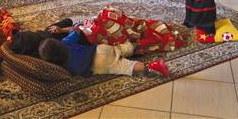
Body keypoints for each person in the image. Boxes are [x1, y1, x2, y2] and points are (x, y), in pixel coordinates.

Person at [38, 32, 170, 78]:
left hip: (98, 65)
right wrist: (77, 26)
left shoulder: (62, 67)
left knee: (125, 66)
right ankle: (139, 43)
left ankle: (154, 66)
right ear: (57, 44)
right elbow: (77, 33)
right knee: (120, 49)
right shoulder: (65, 42)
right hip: (100, 50)